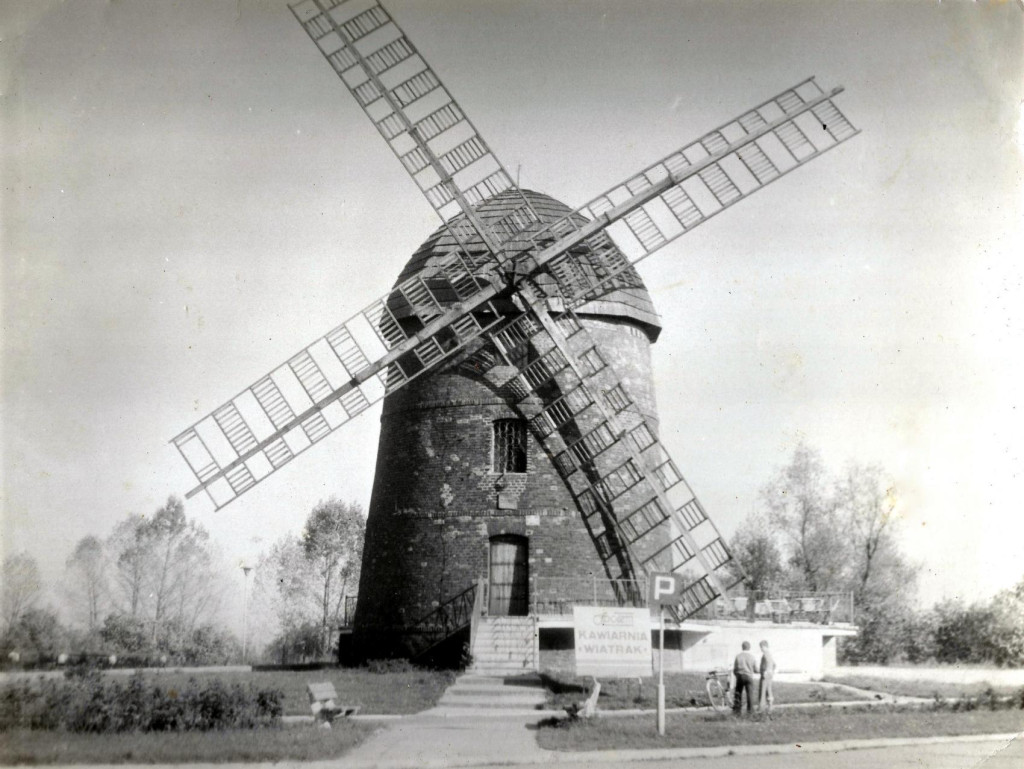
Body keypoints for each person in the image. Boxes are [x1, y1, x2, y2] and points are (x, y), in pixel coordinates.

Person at [732, 640, 758, 714]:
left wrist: (737, 675)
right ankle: (750, 712)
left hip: (740, 676)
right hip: (749, 676)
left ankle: (737, 712)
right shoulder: (752, 657)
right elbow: (755, 669)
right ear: (749, 648)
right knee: (750, 694)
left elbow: (735, 669)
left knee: (738, 693)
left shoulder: (738, 656)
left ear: (742, 647)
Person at [759, 640, 776, 712]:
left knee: (763, 691)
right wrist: (771, 671)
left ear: (765, 646)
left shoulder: (765, 654)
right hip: (769, 675)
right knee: (769, 690)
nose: (761, 649)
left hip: (765, 675)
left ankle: (762, 708)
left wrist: (765, 671)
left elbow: (767, 663)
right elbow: (774, 664)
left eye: (761, 647)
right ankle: (770, 706)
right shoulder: (769, 654)